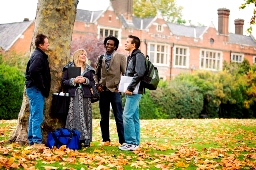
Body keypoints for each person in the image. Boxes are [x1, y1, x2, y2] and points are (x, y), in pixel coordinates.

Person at [94, 35, 126, 145]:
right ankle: (106, 139)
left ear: (115, 46)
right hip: (103, 91)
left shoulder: (121, 57)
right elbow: (96, 74)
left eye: (111, 44)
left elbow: (125, 74)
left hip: (115, 91)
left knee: (119, 117)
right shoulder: (100, 58)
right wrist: (97, 84)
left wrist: (120, 88)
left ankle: (122, 140)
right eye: (107, 44)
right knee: (104, 117)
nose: (109, 46)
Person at [62, 49, 95, 148]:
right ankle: (74, 138)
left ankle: (86, 139)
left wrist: (85, 80)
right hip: (74, 95)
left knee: (85, 116)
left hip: (85, 96)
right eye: (81, 54)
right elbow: (64, 81)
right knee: (74, 116)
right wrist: (74, 80)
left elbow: (93, 83)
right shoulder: (69, 67)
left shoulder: (89, 69)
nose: (84, 55)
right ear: (77, 55)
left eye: (85, 54)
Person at [119, 35, 146, 151]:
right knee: (134, 117)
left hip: (134, 91)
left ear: (133, 45)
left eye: (127, 42)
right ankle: (135, 143)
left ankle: (130, 143)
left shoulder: (139, 56)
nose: (125, 44)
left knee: (127, 115)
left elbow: (139, 73)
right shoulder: (131, 56)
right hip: (132, 89)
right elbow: (129, 75)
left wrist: (130, 88)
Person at [25, 34, 51, 145]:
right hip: (36, 89)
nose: (48, 44)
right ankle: (36, 141)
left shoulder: (38, 54)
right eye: (46, 42)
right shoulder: (39, 56)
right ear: (40, 45)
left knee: (34, 114)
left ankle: (31, 139)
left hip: (33, 89)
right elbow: (34, 71)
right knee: (37, 116)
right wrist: (42, 86)